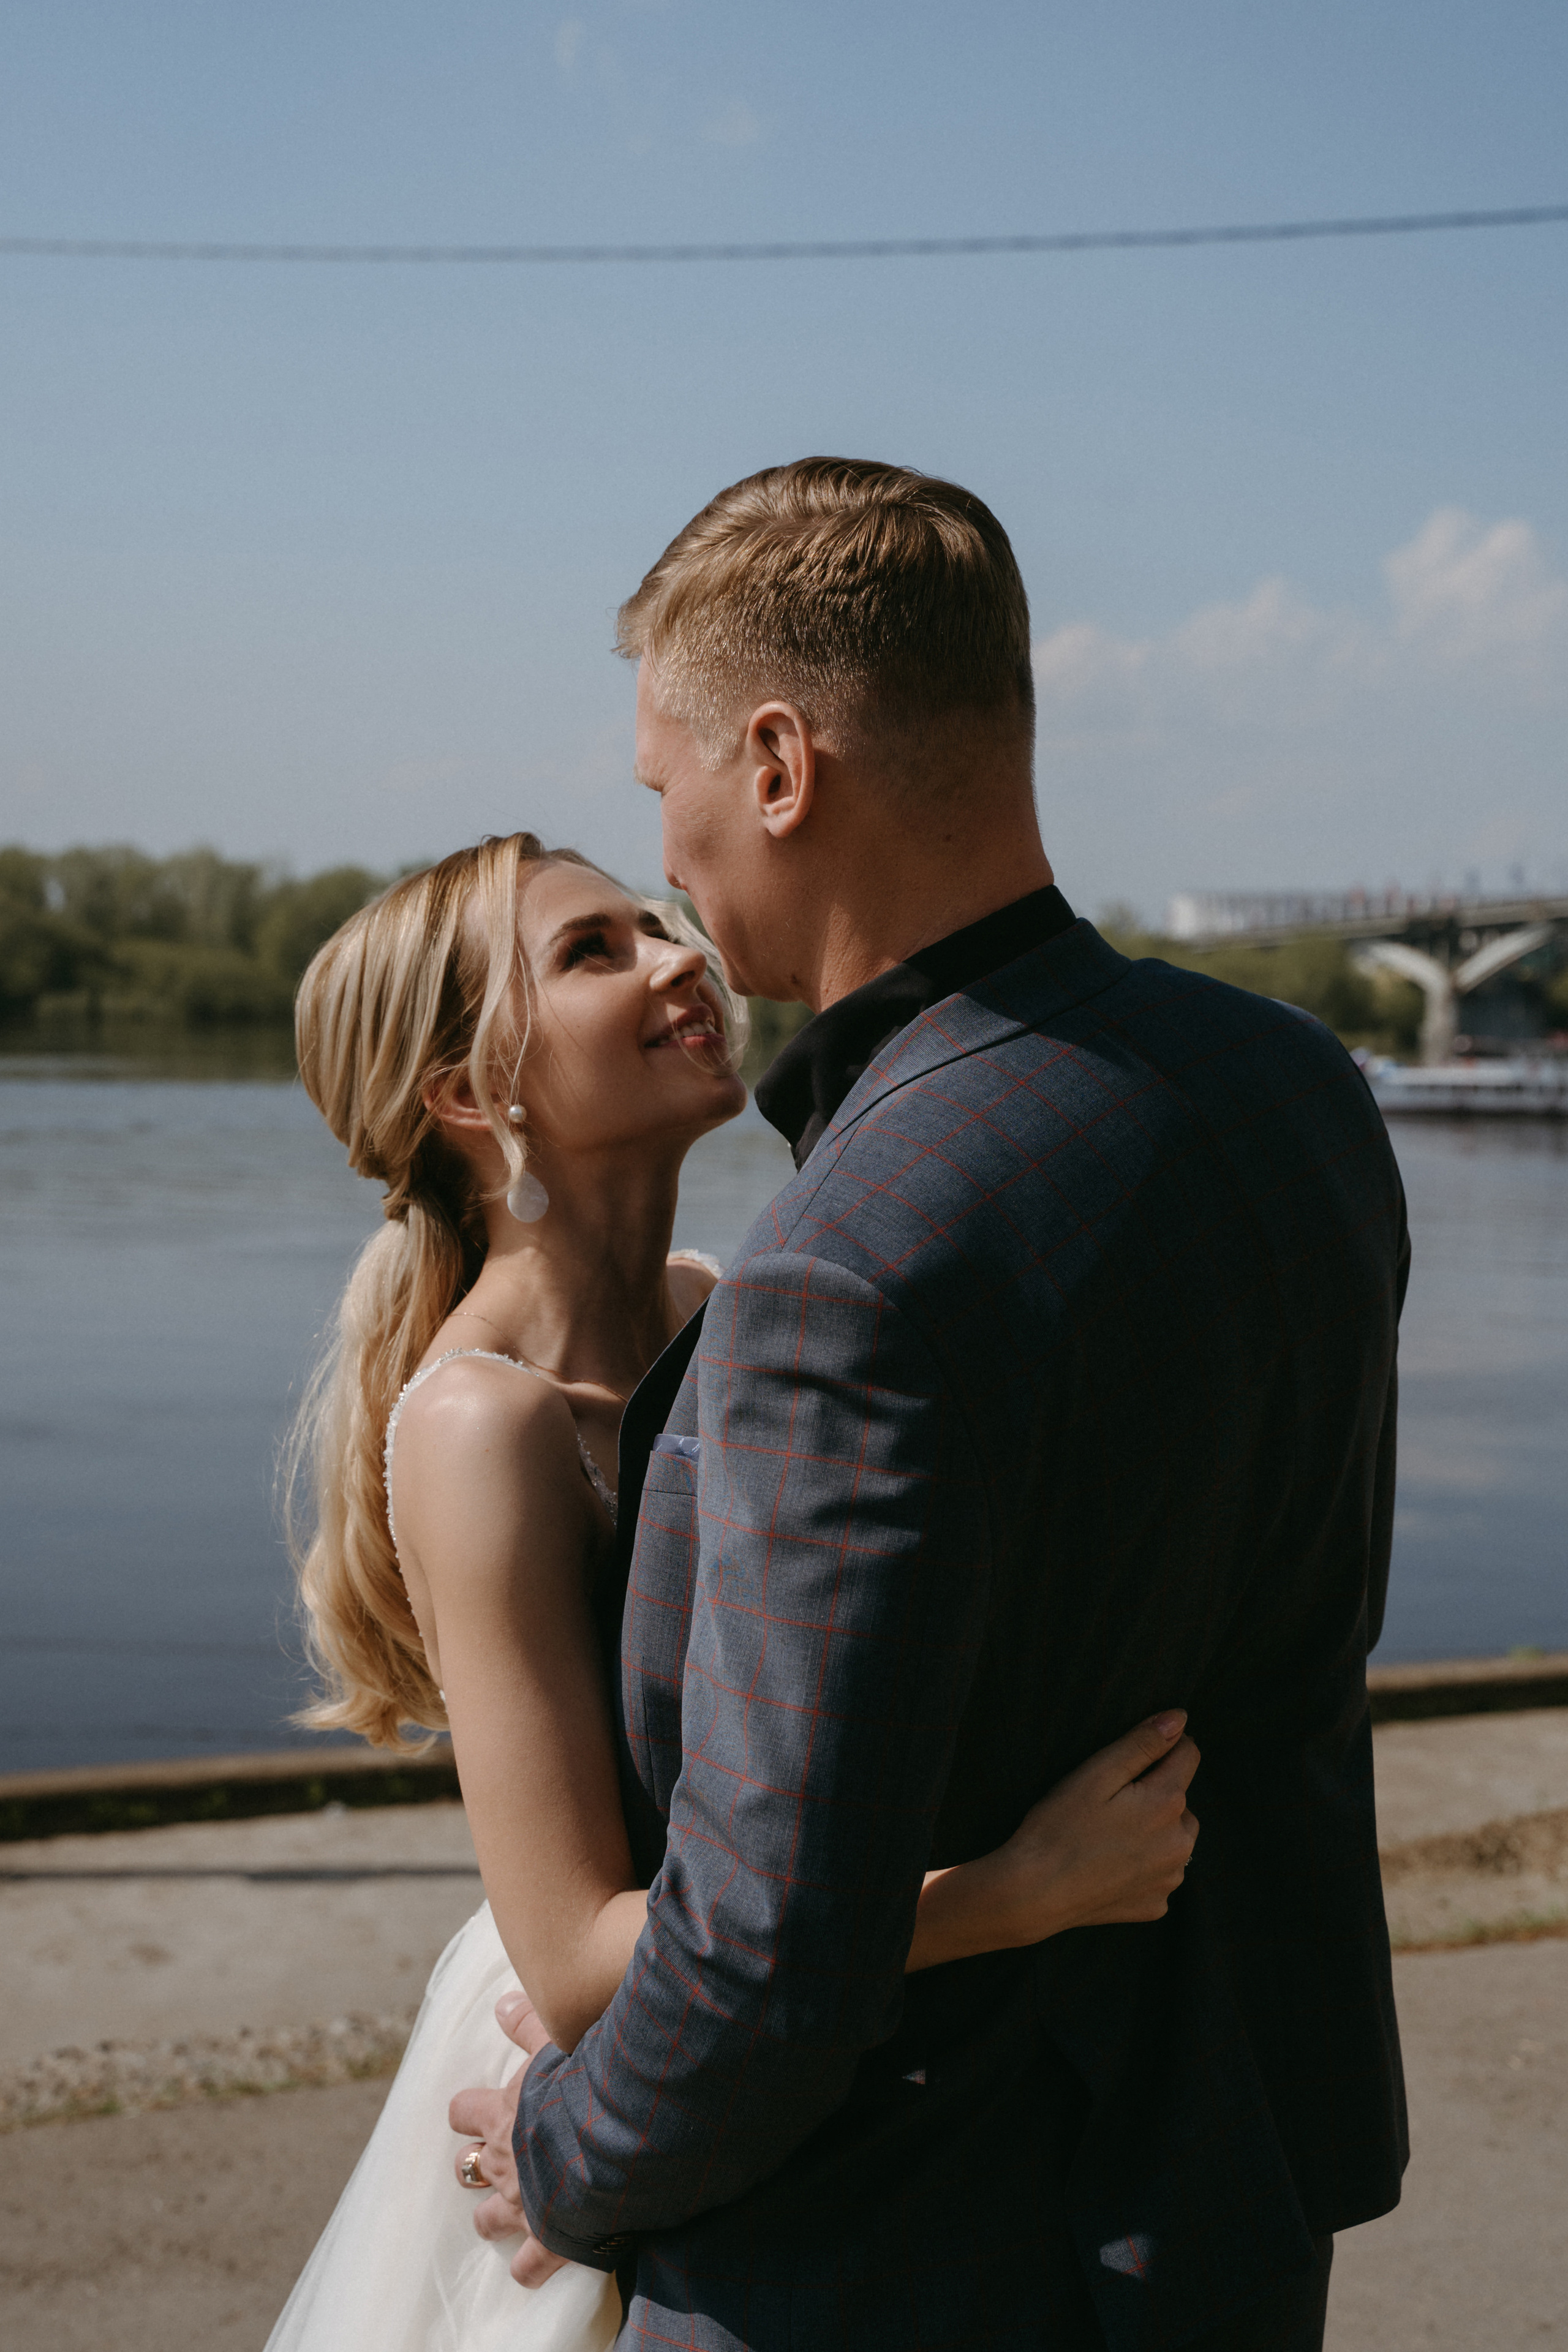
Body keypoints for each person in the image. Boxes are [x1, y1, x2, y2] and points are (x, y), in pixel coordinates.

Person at [452, 459, 1409, 2352]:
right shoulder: (1294, 1088)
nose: (682, 875)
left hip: (901, 2254)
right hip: (1231, 2200)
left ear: (783, 766)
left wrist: (565, 2153)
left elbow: (763, 1958)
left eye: (674, 796)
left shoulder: (849, 1257)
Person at [265, 831, 1202, 2352]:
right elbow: (575, 1967)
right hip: (624, 2058)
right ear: (462, 1095)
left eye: (656, 920)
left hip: (779, 1994)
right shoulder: (477, 1426)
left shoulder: (715, 1303)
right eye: (592, 952)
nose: (677, 954)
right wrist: (1010, 1896)